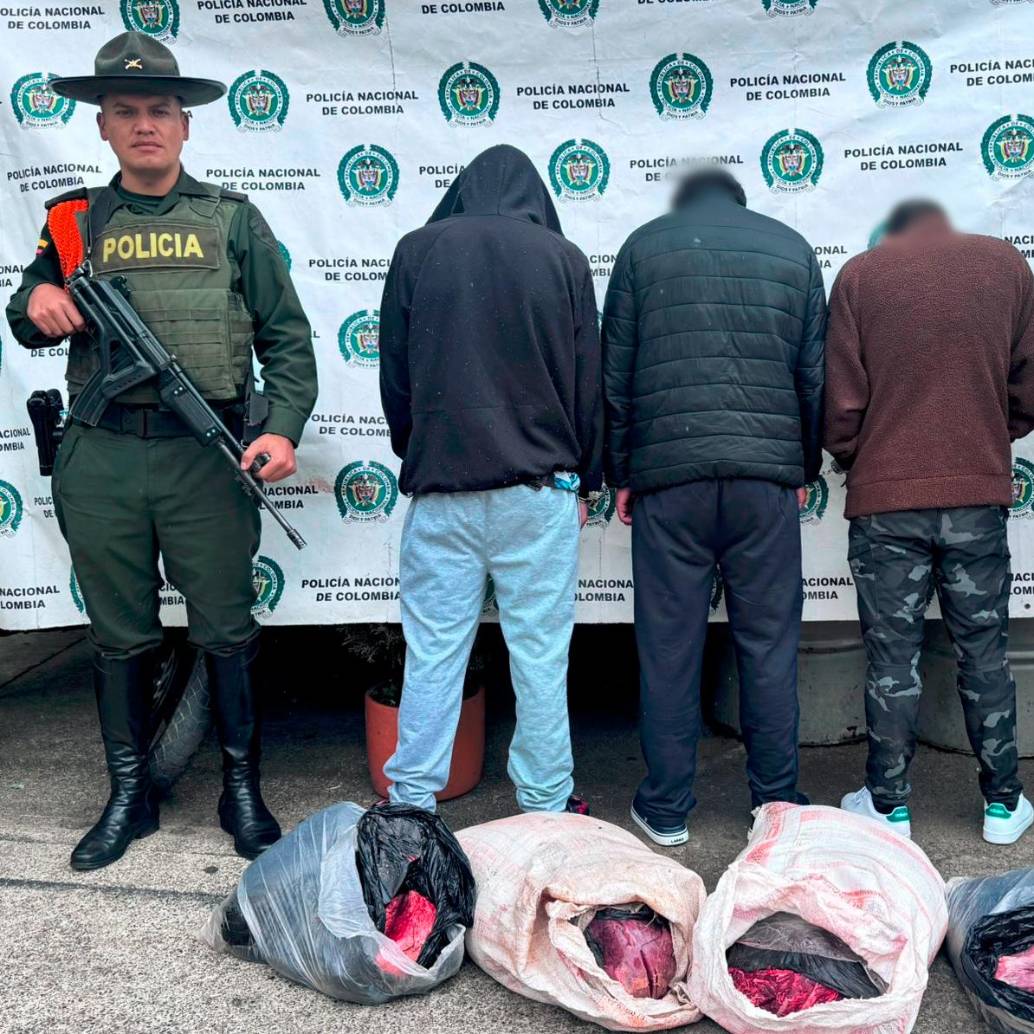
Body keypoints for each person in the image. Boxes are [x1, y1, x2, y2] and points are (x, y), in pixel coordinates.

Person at [5, 32, 318, 869]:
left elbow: (287, 339)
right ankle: (129, 795)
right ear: (102, 127)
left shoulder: (232, 220)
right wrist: (35, 295)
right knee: (119, 634)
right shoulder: (75, 220)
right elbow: (24, 309)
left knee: (224, 627)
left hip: (205, 458)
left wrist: (279, 427)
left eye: (159, 112)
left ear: (185, 126)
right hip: (102, 456)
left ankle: (241, 789)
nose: (144, 125)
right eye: (125, 112)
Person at [602, 168, 826, 846]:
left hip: (670, 481)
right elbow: (813, 375)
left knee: (668, 649)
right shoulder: (792, 249)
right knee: (768, 644)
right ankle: (776, 805)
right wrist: (802, 466)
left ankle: (667, 810)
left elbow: (616, 376)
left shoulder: (642, 248)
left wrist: (622, 472)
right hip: (765, 483)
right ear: (739, 198)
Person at [378, 144, 603, 816]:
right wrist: (587, 476)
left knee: (434, 656)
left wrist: (418, 451)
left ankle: (411, 805)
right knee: (539, 657)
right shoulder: (562, 259)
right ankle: (545, 805)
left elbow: (395, 375)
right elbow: (587, 380)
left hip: (443, 491)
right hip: (538, 495)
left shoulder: (416, 250)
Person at [826, 199, 1034, 845]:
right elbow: (1027, 392)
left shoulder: (861, 275)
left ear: (891, 228)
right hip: (976, 498)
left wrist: (871, 457)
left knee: (893, 660)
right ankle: (1004, 804)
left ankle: (889, 808)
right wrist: (980, 446)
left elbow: (840, 411)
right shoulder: (1007, 267)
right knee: (985, 654)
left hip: (886, 506)